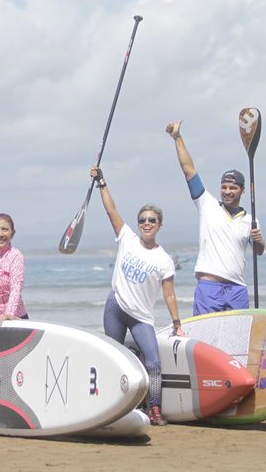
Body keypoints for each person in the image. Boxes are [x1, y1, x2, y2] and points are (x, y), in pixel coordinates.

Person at [89, 167, 183, 426]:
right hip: (116, 307)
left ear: (160, 225)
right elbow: (111, 210)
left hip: (142, 317)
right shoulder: (127, 238)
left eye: (152, 220)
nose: (146, 224)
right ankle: (110, 405)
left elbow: (170, 294)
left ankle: (154, 408)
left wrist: (177, 323)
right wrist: (102, 182)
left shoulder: (164, 259)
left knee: (153, 362)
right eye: (142, 220)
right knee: (115, 357)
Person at [165, 120, 265, 315]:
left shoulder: (250, 220)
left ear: (242, 190)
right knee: (206, 338)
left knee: (236, 340)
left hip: (237, 289)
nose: (227, 191)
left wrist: (259, 240)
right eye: (224, 187)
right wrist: (177, 137)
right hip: (209, 288)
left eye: (233, 188)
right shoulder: (207, 205)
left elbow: (258, 251)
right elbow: (189, 171)